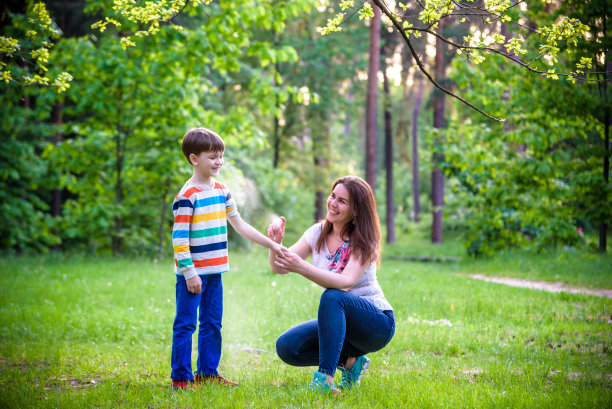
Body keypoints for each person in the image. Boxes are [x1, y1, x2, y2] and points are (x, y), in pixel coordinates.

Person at [171, 127, 284, 390]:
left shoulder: (222, 191)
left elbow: (240, 225)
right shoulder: (187, 196)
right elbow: (179, 239)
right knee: (186, 325)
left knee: (212, 323)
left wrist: (272, 245)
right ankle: (181, 379)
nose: (219, 161)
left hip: (215, 271)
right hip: (192, 275)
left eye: (221, 156)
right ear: (194, 159)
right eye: (212, 157)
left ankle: (208, 373)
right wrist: (189, 273)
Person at [267, 176, 395, 393]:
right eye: (333, 196)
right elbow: (279, 267)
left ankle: (324, 380)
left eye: (342, 201)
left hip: (376, 324)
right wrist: (275, 244)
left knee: (333, 296)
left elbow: (345, 283)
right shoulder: (317, 233)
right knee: (287, 347)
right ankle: (351, 364)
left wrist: (302, 267)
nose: (333, 203)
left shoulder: (364, 240)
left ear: (356, 211)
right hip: (340, 321)